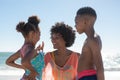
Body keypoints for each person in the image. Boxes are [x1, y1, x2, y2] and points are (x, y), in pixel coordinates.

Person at [6, 15, 44, 80]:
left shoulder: (22, 50)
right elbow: (25, 62)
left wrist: (24, 67)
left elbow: (8, 61)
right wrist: (33, 72)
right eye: (39, 34)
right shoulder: (31, 49)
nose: (40, 36)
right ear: (32, 34)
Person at [75, 7, 105, 80]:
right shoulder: (89, 39)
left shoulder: (93, 39)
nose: (75, 25)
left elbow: (99, 67)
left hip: (88, 77)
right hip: (84, 76)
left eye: (76, 22)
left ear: (85, 22)